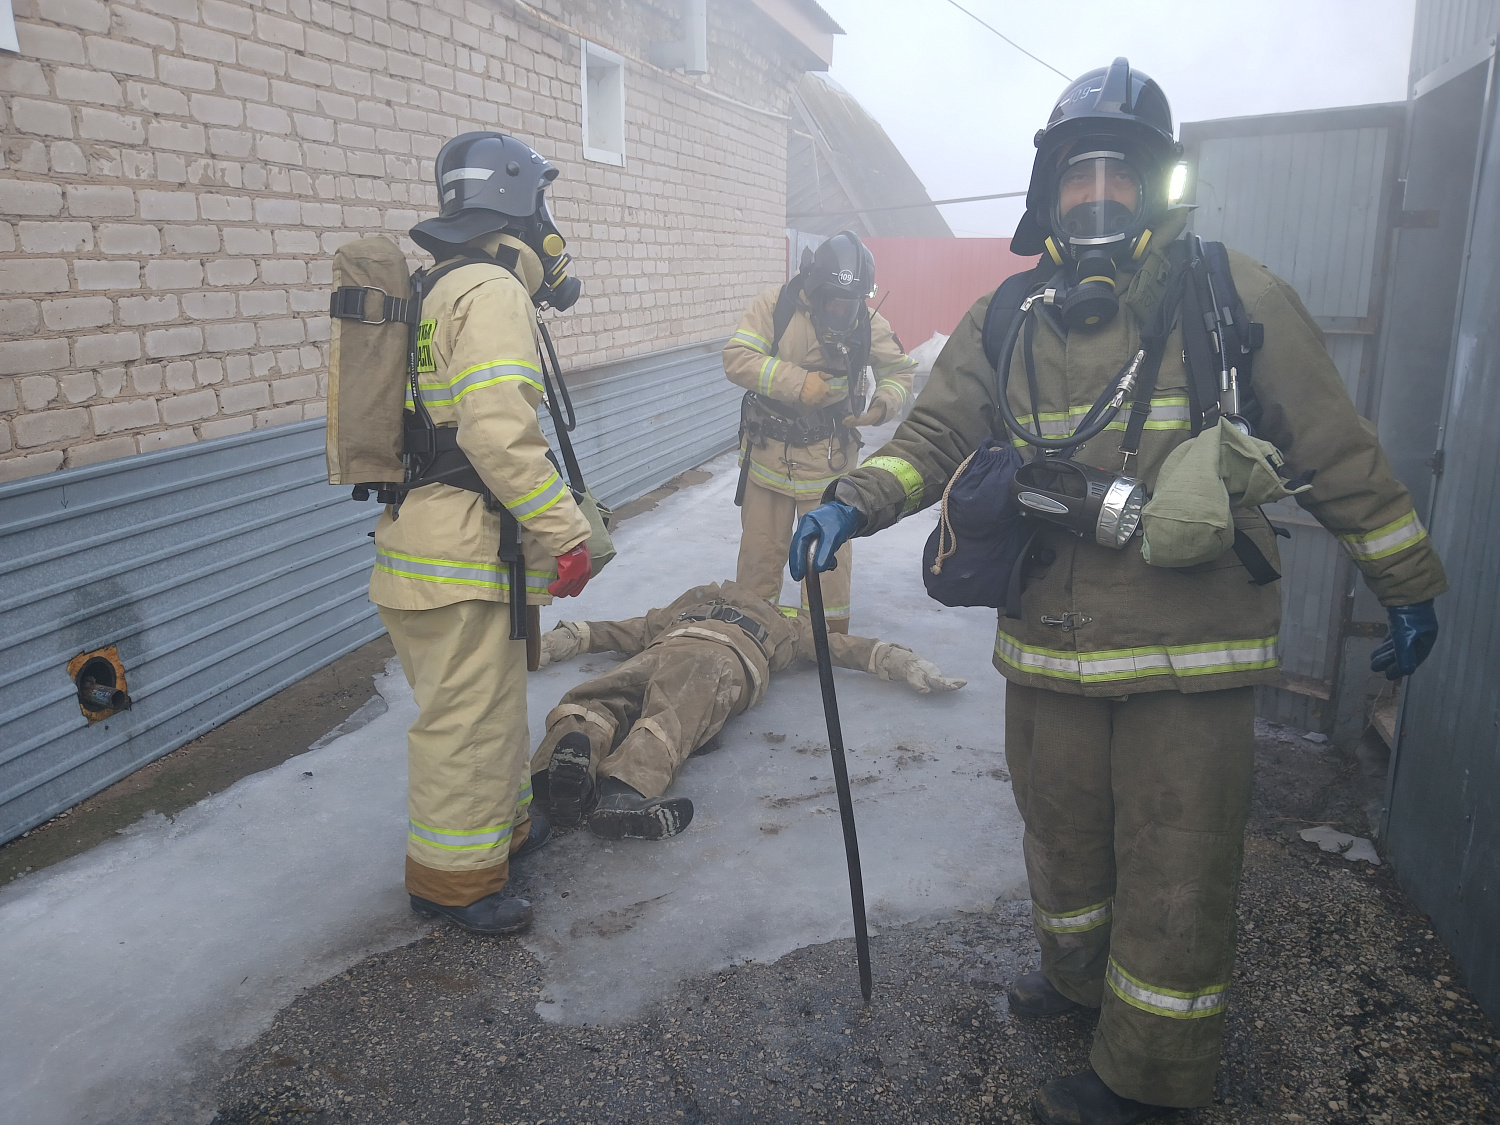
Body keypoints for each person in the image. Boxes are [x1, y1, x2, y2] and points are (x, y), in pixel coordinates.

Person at [790, 59, 1446, 1125]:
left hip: (1190, 658)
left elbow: (1336, 452)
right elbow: (933, 438)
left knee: (1175, 857)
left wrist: (1405, 581)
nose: (1098, 203)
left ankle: (1152, 1075)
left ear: (1162, 190)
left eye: (1122, 182)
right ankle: (1080, 987)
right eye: (1079, 182)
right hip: (1047, 644)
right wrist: (852, 502)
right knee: (1061, 838)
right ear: (1047, 198)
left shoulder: (1234, 297)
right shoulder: (1005, 316)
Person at [369, 132, 595, 937]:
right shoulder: (491, 290)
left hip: (433, 546)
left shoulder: (439, 286)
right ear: (516, 203)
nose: (550, 223)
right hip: (455, 552)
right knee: (465, 724)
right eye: (543, 202)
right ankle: (452, 882)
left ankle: (498, 838)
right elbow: (499, 433)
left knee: (490, 710)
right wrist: (566, 532)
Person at [526, 580, 964, 840]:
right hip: (693, 655)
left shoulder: (753, 621)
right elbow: (611, 631)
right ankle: (596, 782)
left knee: (625, 704)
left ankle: (583, 778)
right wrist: (553, 642)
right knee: (635, 707)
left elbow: (608, 632)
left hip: (701, 655)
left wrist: (900, 661)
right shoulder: (770, 623)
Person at [723, 231, 916, 633]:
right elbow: (737, 358)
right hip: (767, 458)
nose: (843, 310)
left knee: (827, 565)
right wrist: (796, 383)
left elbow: (899, 371)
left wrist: (883, 405)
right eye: (834, 300)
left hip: (830, 465)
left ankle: (824, 642)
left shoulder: (867, 321)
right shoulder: (775, 307)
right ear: (814, 289)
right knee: (760, 557)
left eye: (851, 302)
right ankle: (753, 633)